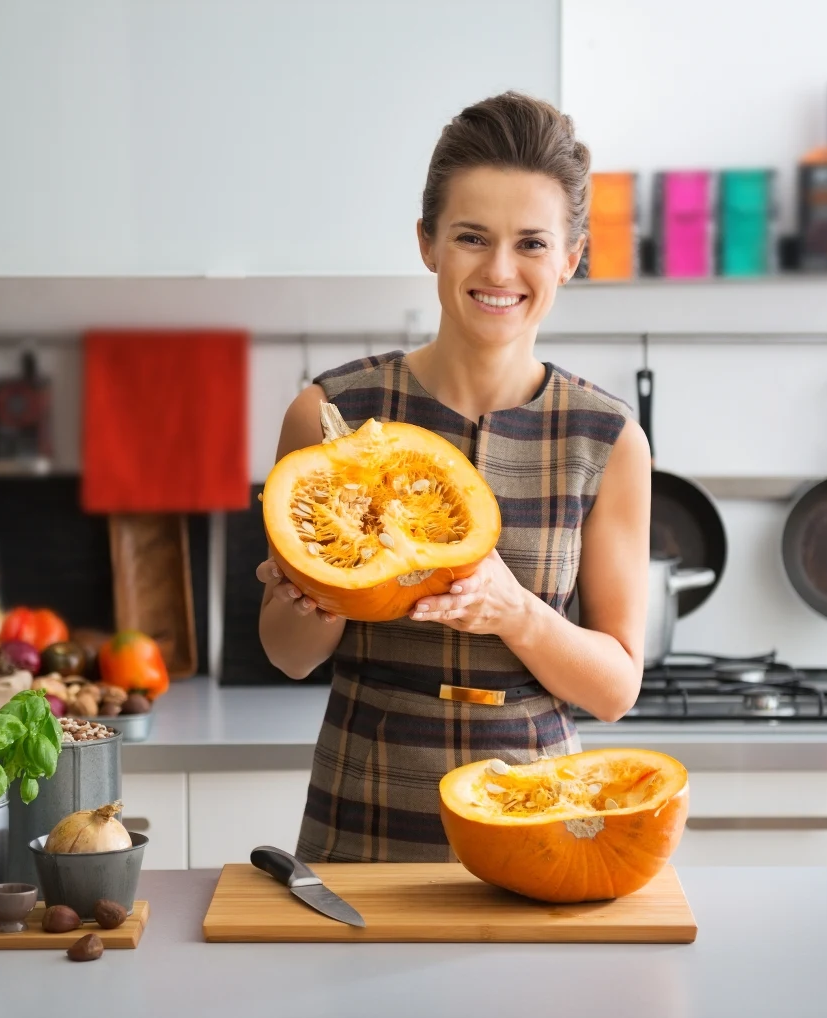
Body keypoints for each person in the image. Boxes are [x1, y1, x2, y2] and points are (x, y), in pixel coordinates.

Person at [256, 91, 651, 863]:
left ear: (570, 258)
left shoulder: (607, 439)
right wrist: (324, 587)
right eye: (472, 237)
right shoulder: (331, 414)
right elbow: (288, 653)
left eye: (531, 243)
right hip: (362, 814)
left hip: (540, 824)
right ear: (428, 243)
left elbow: (614, 688)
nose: (499, 269)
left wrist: (515, 612)